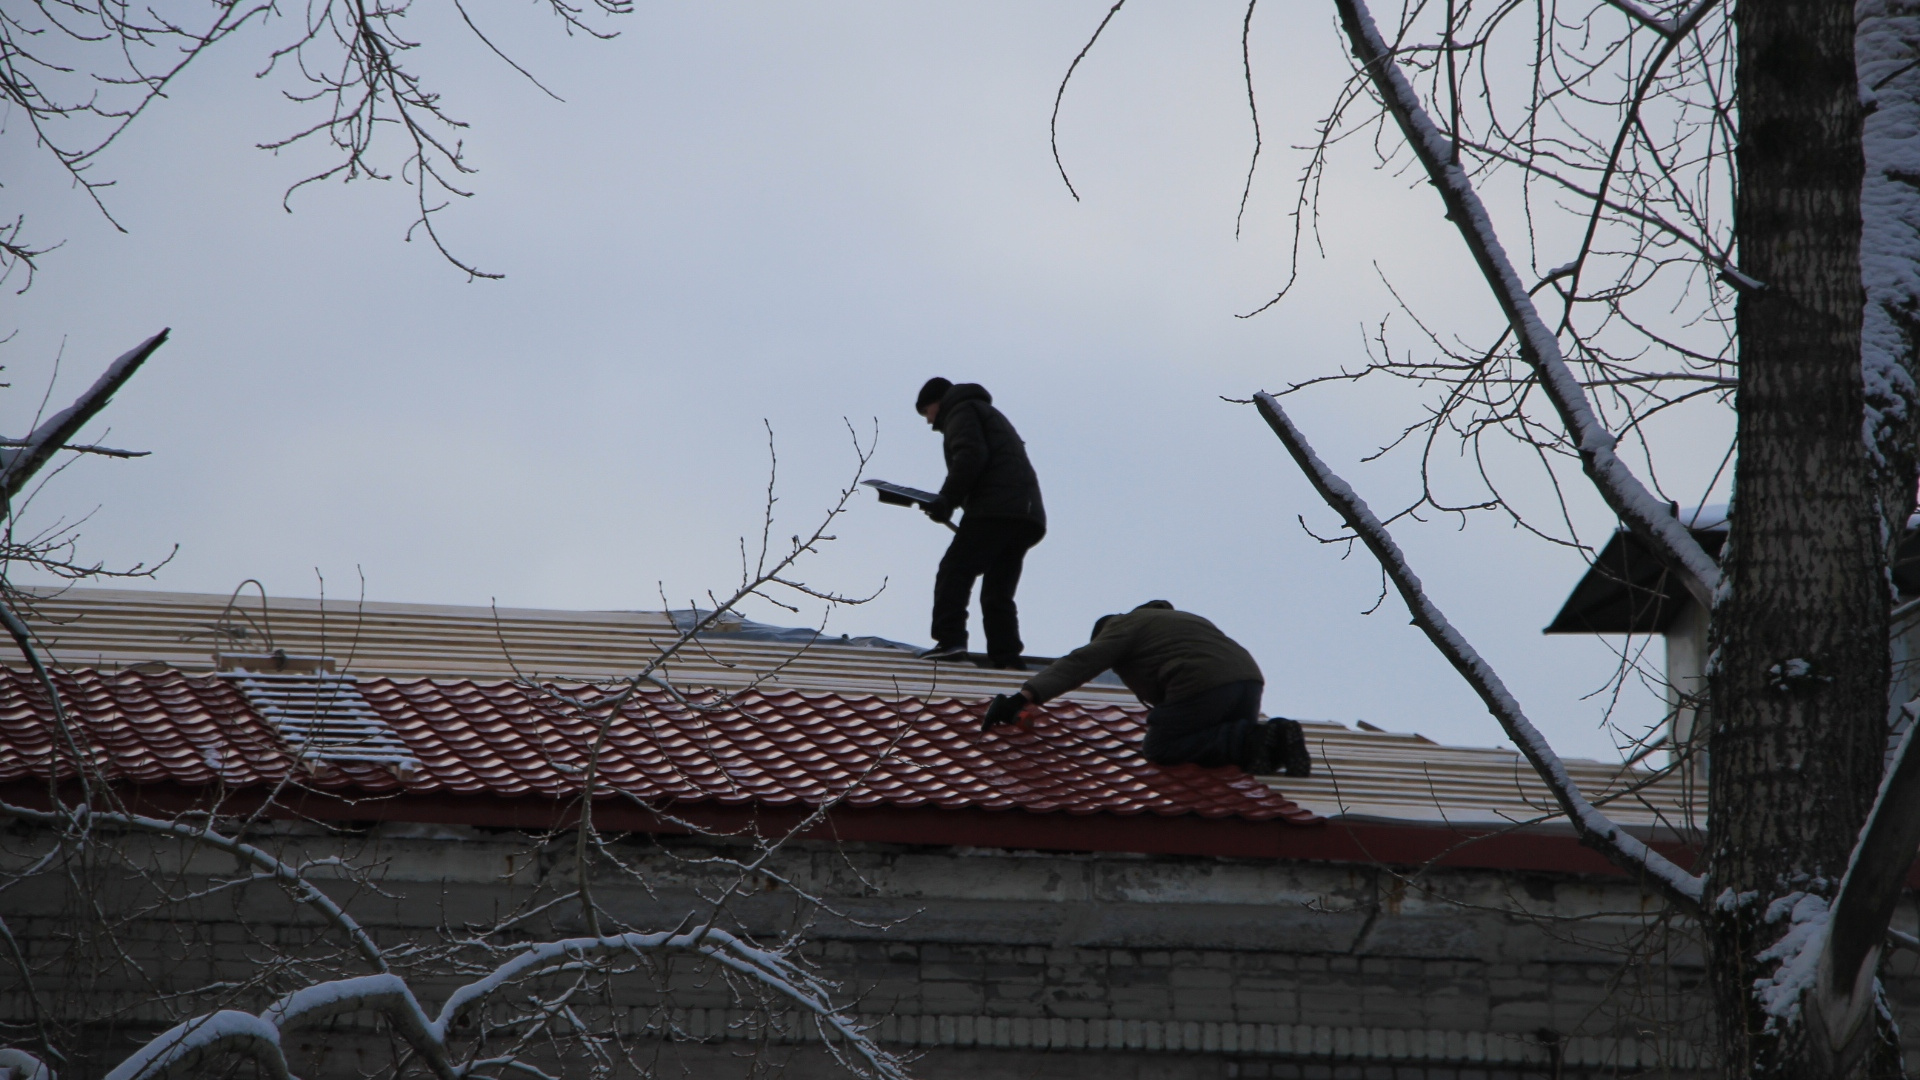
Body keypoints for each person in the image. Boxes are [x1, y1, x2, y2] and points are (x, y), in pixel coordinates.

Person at [982, 600, 1312, 777]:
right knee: (1216, 743)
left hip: (1200, 684)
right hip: (1248, 683)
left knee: (1162, 747)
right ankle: (1272, 742)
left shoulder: (1122, 626)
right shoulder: (1178, 619)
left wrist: (1023, 698)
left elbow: (1080, 663)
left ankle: (1257, 739)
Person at [915, 377, 1046, 669]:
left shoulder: (961, 411)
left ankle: (950, 641)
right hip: (1024, 514)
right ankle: (1007, 658)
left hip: (994, 510)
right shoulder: (987, 413)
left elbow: (970, 456)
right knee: (997, 591)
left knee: (955, 570)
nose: (928, 421)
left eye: (926, 412)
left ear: (937, 403)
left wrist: (946, 499)